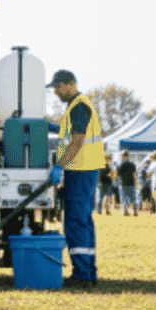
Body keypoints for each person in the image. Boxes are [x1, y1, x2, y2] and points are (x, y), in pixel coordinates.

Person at [46, 70, 105, 286]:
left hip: (80, 171)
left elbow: (78, 141)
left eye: (58, 86)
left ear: (70, 84)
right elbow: (71, 135)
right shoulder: (76, 106)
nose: (55, 91)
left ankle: (82, 274)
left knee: (76, 222)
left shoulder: (79, 107)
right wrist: (53, 127)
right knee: (84, 222)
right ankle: (88, 271)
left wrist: (59, 166)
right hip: (84, 171)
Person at [116, 151, 138, 217]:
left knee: (124, 198)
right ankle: (135, 212)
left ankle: (125, 211)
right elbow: (135, 175)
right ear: (128, 156)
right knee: (133, 198)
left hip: (123, 184)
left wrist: (118, 183)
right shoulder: (132, 164)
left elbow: (117, 176)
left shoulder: (120, 165)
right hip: (131, 183)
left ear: (122, 156)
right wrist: (136, 182)